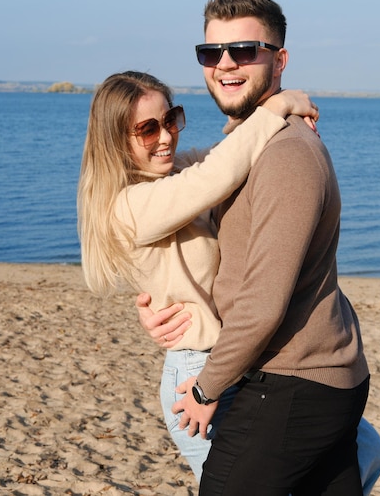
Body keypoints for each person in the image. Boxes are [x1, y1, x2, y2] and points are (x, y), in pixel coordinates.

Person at [137, 0, 380, 495]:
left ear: (280, 59)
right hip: (305, 373)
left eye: (244, 50)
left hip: (291, 378)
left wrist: (207, 387)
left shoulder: (284, 154)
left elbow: (264, 301)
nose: (225, 64)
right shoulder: (245, 145)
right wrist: (157, 303)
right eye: (212, 53)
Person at [77, 70, 318, 464]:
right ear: (116, 141)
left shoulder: (173, 174)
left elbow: (231, 153)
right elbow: (216, 175)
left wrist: (254, 114)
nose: (167, 136)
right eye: (148, 129)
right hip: (198, 370)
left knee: (362, 449)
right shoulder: (127, 207)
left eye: (171, 119)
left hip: (230, 357)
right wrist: (279, 105)